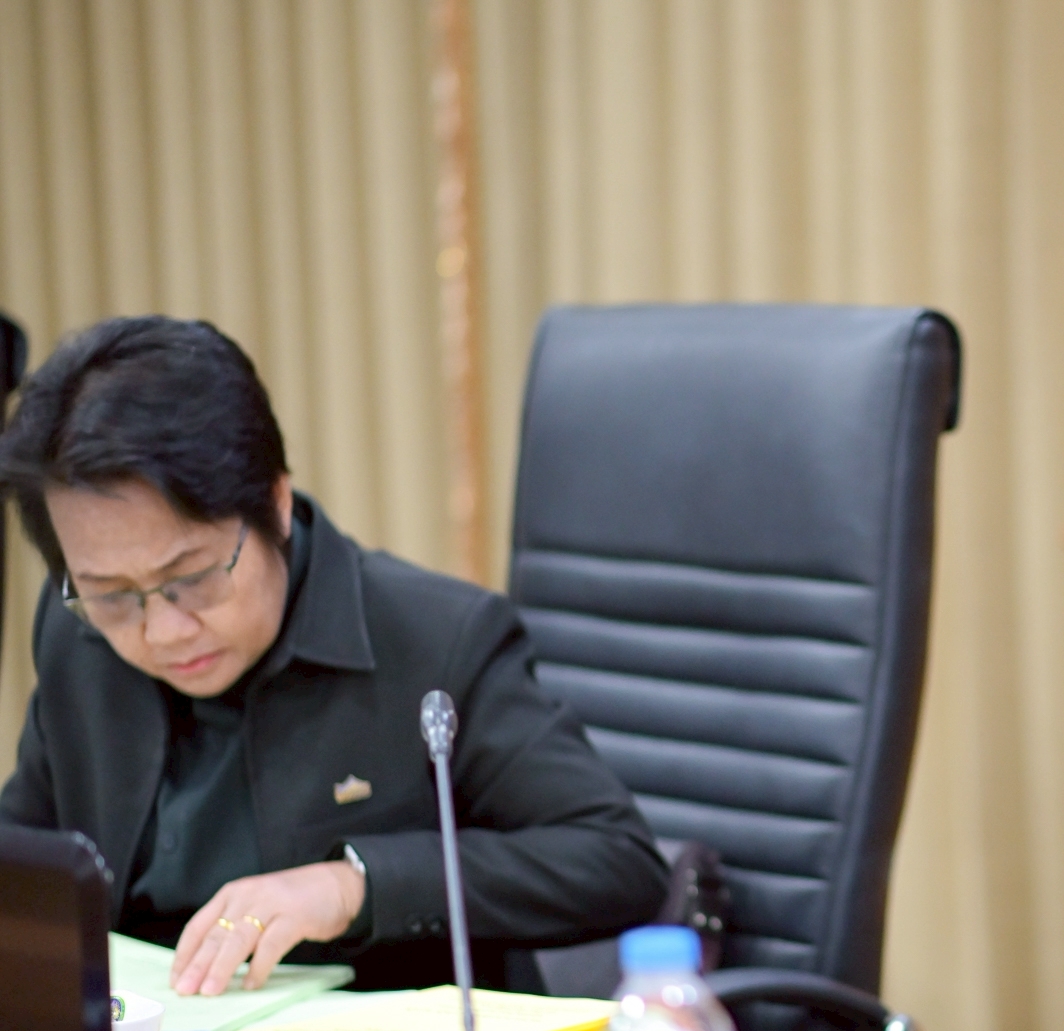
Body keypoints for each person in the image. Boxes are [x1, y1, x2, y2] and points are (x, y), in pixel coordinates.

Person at [0, 316, 669, 995]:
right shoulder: (77, 634)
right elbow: (25, 855)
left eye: (192, 577)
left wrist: (355, 884)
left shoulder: (434, 639)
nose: (163, 630)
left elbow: (617, 859)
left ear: (275, 503)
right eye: (113, 594)